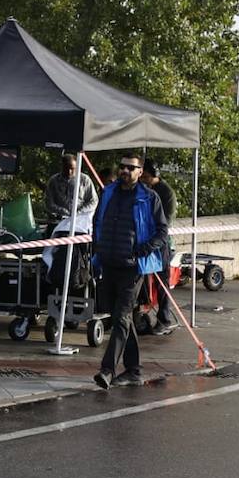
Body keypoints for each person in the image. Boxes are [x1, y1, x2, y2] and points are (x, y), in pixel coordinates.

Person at [91, 152, 168, 390]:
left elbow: (162, 231)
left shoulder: (149, 198)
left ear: (139, 172)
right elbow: (97, 223)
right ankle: (134, 370)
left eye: (130, 168)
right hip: (108, 262)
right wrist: (97, 250)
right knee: (119, 318)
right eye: (122, 166)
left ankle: (107, 370)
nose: (125, 171)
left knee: (122, 316)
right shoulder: (109, 193)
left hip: (132, 268)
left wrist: (141, 252)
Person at [140, 158, 178, 334]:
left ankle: (164, 319)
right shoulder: (143, 190)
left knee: (161, 282)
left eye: (147, 177)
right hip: (145, 240)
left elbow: (166, 222)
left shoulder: (166, 193)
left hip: (161, 243)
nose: (144, 180)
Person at [46, 152, 98, 224]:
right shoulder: (53, 181)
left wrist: (78, 212)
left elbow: (93, 201)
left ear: (77, 167)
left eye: (72, 169)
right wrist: (63, 211)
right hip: (58, 221)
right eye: (66, 169)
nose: (69, 172)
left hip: (80, 221)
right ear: (61, 167)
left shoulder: (85, 180)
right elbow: (48, 203)